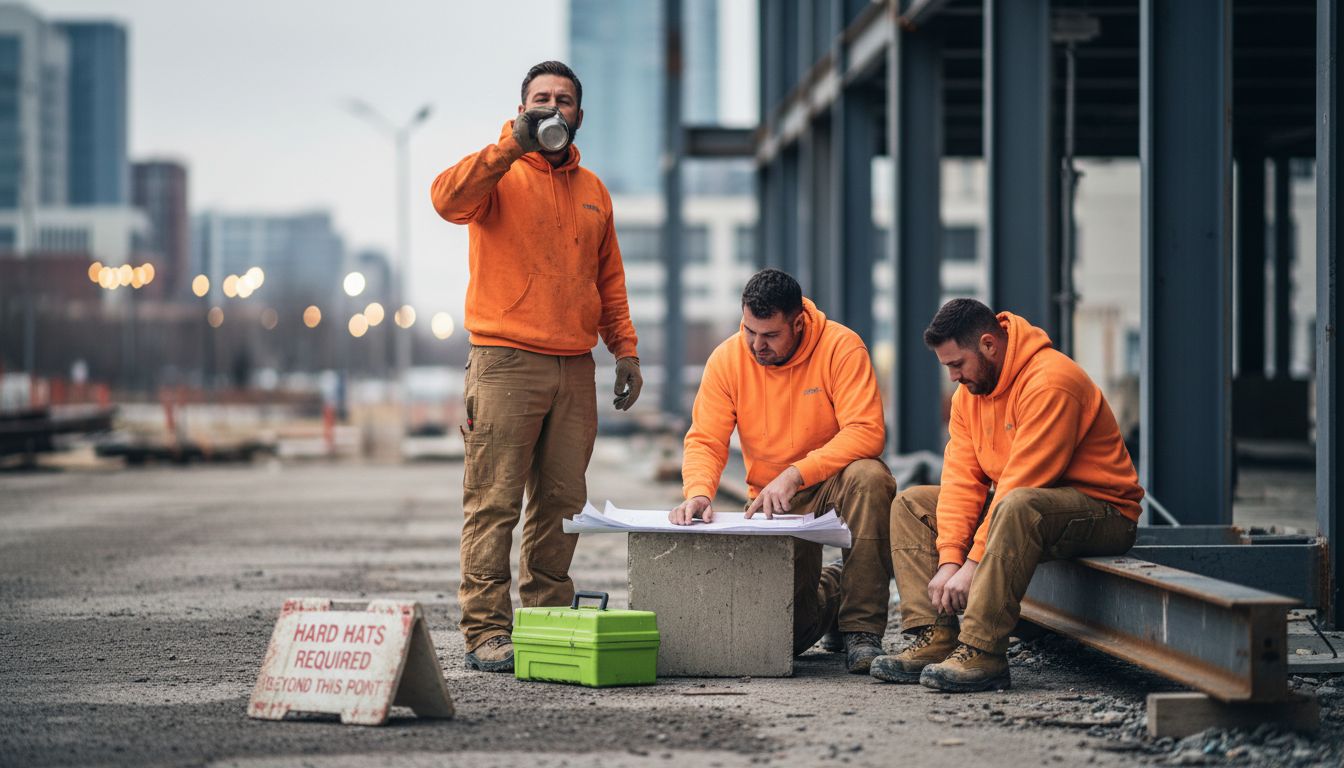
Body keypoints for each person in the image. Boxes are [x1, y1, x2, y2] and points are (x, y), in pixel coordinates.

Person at [430, 60, 642, 672]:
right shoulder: (496, 172)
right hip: (505, 362)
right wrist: (508, 145)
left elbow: (610, 280)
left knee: (561, 503)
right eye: (541, 99)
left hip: (574, 366)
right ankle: (486, 631)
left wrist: (623, 349)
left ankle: (548, 618)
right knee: (493, 500)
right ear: (524, 108)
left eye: (565, 100)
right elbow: (445, 199)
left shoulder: (593, 190)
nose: (554, 108)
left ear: (580, 115)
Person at [871, 299, 1144, 692]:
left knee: (1017, 504)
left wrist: (972, 563)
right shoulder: (970, 396)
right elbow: (962, 480)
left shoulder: (1050, 382)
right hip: (1028, 508)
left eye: (957, 364)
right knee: (913, 504)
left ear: (988, 345)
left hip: (1102, 512)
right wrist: (950, 560)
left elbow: (1022, 483)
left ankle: (983, 650)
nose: (952, 377)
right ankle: (934, 636)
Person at [670, 269, 897, 674]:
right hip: (774, 502)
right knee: (781, 639)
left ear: (798, 323)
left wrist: (797, 472)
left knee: (870, 477)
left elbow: (867, 432)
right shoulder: (727, 359)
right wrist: (699, 491)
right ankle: (840, 586)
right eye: (749, 330)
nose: (757, 345)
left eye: (770, 335)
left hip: (832, 481)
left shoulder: (841, 348)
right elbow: (706, 438)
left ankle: (861, 629)